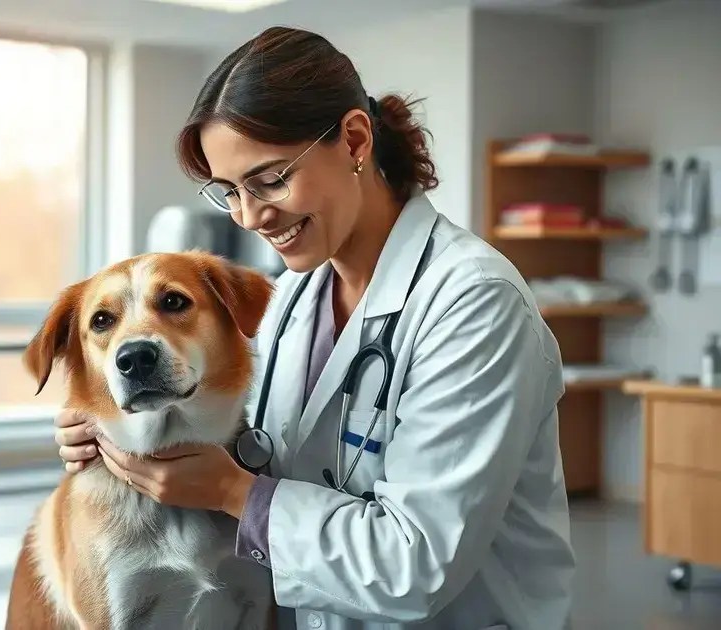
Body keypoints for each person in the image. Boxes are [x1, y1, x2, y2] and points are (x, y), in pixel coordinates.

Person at [53, 26, 575, 630]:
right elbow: (267, 452)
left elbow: (416, 565)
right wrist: (116, 430)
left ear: (354, 140)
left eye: (271, 179)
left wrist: (232, 493)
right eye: (232, 193)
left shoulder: (473, 303)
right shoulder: (294, 298)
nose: (251, 217)